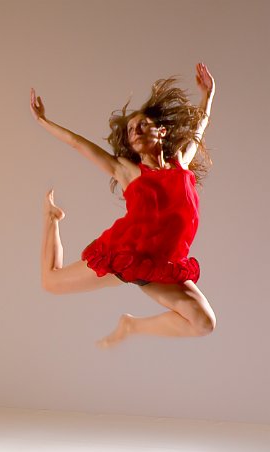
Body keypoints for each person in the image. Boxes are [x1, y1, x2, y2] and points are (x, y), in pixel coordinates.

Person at [30, 63, 217, 347]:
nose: (136, 131)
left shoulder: (181, 163)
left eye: (142, 125)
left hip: (163, 265)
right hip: (129, 254)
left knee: (204, 323)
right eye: (131, 130)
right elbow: (79, 145)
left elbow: (198, 129)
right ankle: (52, 217)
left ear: (162, 132)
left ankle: (131, 326)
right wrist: (45, 121)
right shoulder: (128, 171)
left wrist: (208, 96)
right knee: (50, 282)